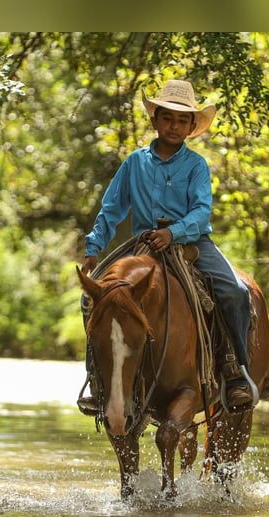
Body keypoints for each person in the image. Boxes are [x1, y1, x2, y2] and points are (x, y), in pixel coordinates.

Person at [79, 79, 256, 411]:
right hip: (143, 244)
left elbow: (202, 212)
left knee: (235, 291)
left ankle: (234, 370)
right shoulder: (135, 163)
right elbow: (112, 207)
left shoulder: (196, 166)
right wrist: (94, 247)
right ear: (154, 120)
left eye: (181, 120)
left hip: (191, 242)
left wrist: (173, 233)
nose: (174, 126)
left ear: (191, 127)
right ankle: (96, 379)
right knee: (91, 300)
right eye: (167, 118)